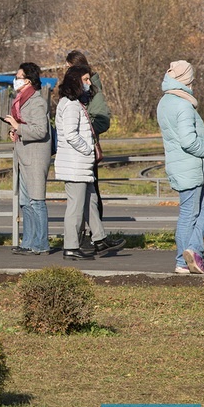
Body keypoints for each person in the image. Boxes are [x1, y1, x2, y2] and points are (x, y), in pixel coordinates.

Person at [55, 65, 121, 261]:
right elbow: (70, 135)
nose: (88, 83)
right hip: (76, 165)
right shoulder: (71, 105)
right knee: (76, 207)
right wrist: (88, 150)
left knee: (90, 201)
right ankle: (71, 247)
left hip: (81, 166)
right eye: (85, 79)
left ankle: (100, 239)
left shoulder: (75, 103)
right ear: (75, 81)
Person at [156, 60, 204, 274]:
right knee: (189, 213)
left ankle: (190, 251)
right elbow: (188, 141)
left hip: (180, 165)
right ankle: (184, 258)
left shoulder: (165, 101)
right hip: (188, 167)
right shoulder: (183, 105)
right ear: (186, 79)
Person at [3, 62, 52, 255]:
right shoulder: (21, 100)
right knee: (25, 202)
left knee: (37, 201)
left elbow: (41, 131)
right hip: (23, 156)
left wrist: (18, 126)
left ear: (28, 80)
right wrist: (14, 130)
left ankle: (42, 243)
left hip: (35, 157)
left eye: (19, 76)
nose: (15, 80)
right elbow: (24, 126)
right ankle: (28, 242)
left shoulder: (37, 101)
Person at [65, 50, 111, 238]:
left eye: (68, 67)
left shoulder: (93, 91)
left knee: (91, 194)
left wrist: (83, 128)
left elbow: (101, 120)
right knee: (82, 196)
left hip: (86, 148)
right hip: (76, 150)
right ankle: (90, 236)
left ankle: (90, 236)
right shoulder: (72, 93)